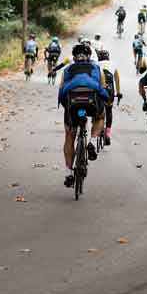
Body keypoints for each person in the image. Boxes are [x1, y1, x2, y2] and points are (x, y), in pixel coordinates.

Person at [56, 43, 109, 188]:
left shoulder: (67, 70)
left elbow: (61, 91)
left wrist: (64, 105)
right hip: (91, 101)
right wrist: (106, 98)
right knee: (100, 117)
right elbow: (102, 88)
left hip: (73, 103)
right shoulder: (96, 68)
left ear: (74, 57)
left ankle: (68, 173)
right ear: (89, 56)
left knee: (69, 135)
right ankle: (92, 141)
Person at [97, 49, 122, 145]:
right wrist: (118, 92)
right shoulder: (113, 64)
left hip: (99, 88)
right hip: (110, 88)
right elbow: (117, 79)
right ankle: (107, 134)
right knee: (109, 110)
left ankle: (97, 128)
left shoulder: (96, 64)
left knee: (97, 110)